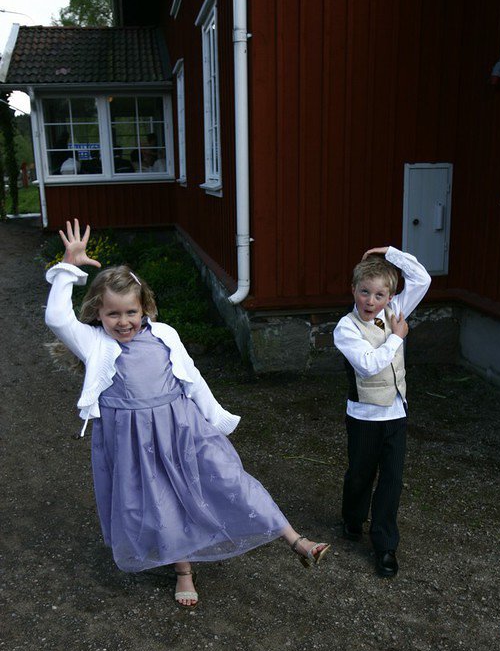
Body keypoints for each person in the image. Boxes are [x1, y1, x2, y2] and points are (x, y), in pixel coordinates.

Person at [45, 220, 330, 607]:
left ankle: (297, 540)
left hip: (182, 428)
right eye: (113, 314)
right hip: (134, 441)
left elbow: (192, 380)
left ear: (144, 306)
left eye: (131, 312)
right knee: (162, 503)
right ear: (99, 312)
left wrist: (217, 418)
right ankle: (184, 572)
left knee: (231, 479)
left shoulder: (165, 334)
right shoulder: (93, 343)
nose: (124, 322)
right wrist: (67, 268)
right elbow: (57, 319)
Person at [333, 245, 431, 578]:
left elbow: (422, 279)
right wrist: (397, 338)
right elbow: (368, 365)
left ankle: (385, 545)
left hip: (396, 414)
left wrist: (390, 253)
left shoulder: (394, 311)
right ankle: (352, 518)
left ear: (390, 297)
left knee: (392, 480)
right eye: (365, 292)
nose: (371, 301)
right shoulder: (346, 328)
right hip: (364, 417)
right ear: (353, 290)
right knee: (361, 475)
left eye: (379, 295)